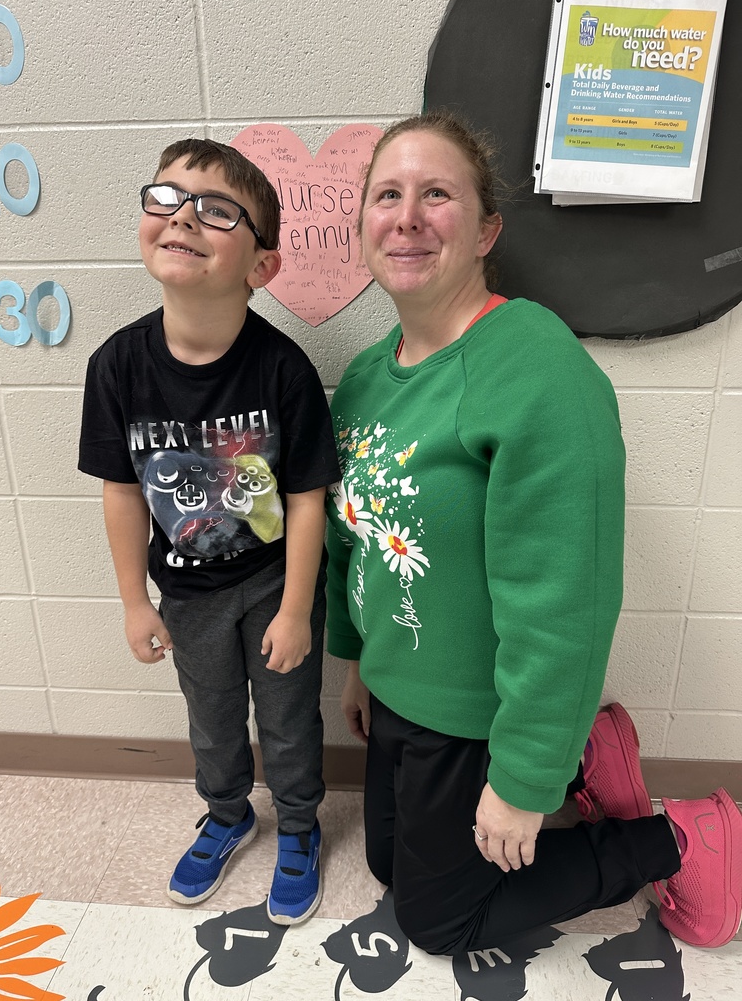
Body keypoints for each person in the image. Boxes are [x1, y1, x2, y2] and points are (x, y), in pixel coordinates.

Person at [325, 110, 742, 954]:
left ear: (487, 230)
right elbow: (359, 543)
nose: (406, 216)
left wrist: (521, 780)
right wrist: (362, 665)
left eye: (436, 194)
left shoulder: (538, 369)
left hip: (477, 707)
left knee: (439, 921)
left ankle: (680, 837)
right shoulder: (367, 378)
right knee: (386, 866)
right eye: (387, 194)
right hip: (402, 688)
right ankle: (588, 754)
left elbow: (565, 600)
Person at [79, 138, 341, 925]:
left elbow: (305, 501)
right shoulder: (117, 367)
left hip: (273, 585)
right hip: (186, 591)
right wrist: (135, 600)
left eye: (217, 210)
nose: (184, 216)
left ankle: (298, 827)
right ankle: (228, 814)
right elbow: (121, 491)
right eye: (166, 197)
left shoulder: (284, 371)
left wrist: (296, 609)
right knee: (213, 714)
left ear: (262, 266)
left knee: (290, 716)